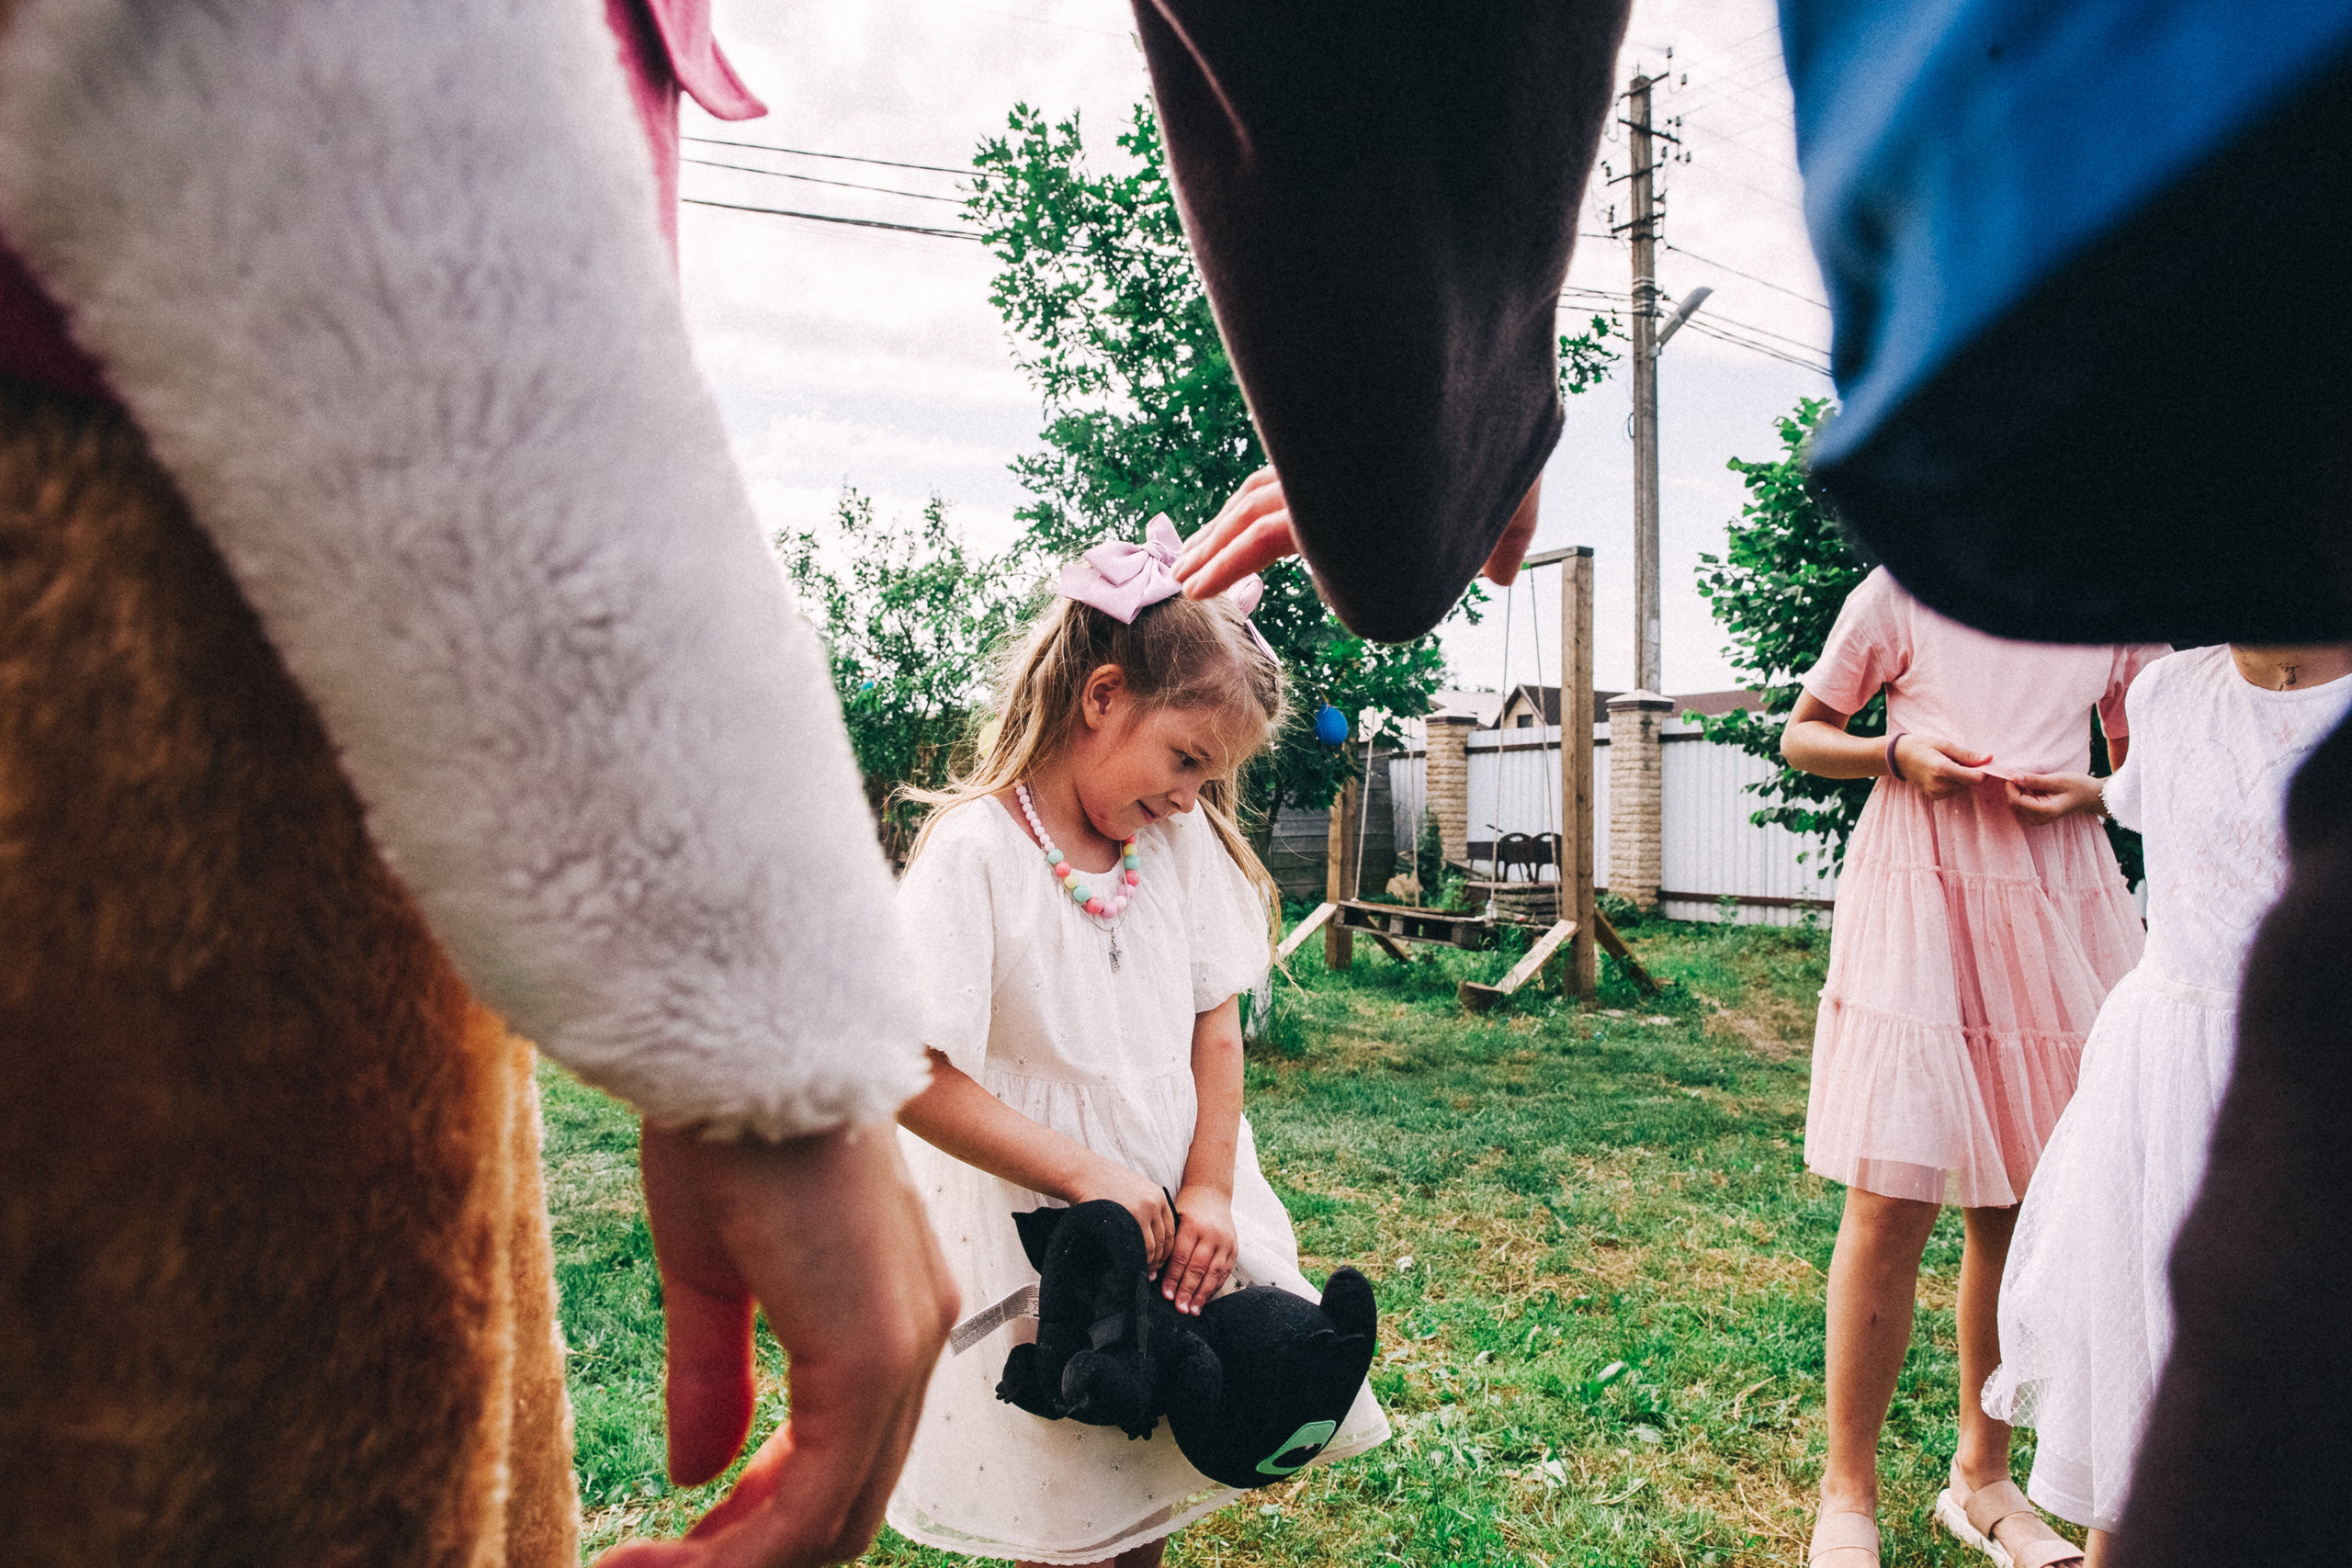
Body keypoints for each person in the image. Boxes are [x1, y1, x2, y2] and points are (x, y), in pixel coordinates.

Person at [883, 519, 1388, 1568]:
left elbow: (1215, 1022)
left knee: (1142, 1468)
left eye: (1213, 777)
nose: (1189, 796)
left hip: (1174, 1202)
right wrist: (1085, 1174)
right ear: (1102, 697)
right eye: (1185, 759)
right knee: (1064, 1483)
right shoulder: (976, 853)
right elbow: (909, 1072)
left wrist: (1205, 1187)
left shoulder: (1179, 841)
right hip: (1041, 1220)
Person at [1774, 568, 2163, 1568]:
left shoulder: (2112, 606)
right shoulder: (1906, 586)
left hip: (2057, 895)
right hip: (1923, 887)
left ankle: (1982, 1480)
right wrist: (1894, 753)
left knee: (2022, 1206)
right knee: (1891, 1196)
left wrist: (2092, 793)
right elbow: (1802, 734)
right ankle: (1845, 1493)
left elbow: (2146, 771)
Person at [1978, 640, 2352, 1563]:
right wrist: (2084, 793)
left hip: (2307, 1068)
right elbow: (2148, 788)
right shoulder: (2165, 690)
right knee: (2144, 1333)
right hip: (2162, 1064)